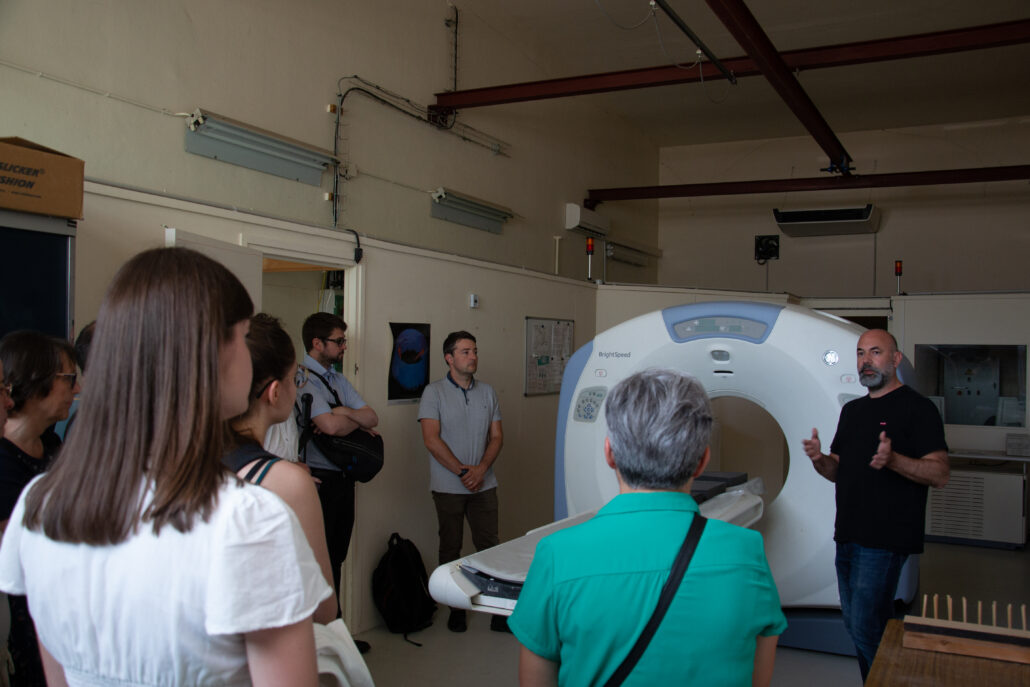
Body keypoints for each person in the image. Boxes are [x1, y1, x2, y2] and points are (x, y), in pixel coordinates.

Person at [0, 247, 330, 686]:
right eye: (243, 335)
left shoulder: (40, 506)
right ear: (210, 355)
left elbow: (58, 678)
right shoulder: (246, 521)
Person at [509, 368, 785, 687]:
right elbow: (757, 678)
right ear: (702, 461)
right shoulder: (747, 551)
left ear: (610, 453)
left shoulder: (557, 554)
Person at [802, 328, 949, 680]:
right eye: (860, 353)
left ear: (895, 359)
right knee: (855, 624)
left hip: (886, 538)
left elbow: (940, 473)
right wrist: (820, 459)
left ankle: (894, 679)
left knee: (867, 625)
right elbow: (837, 471)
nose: (866, 361)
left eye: (875, 352)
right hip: (848, 534)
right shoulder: (852, 411)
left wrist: (894, 460)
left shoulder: (918, 409)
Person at [224, 312, 338, 625]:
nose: (297, 387)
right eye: (294, 379)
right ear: (274, 392)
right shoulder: (288, 483)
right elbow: (323, 608)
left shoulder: (183, 462)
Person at [0, 330, 79, 687]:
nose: (77, 390)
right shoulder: (3, 460)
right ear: (35, 381)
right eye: (69, 379)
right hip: (21, 619)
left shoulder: (52, 443)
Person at [297, 312, 379, 649]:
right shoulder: (303, 379)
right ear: (317, 343)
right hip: (319, 481)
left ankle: (338, 636)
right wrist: (346, 420)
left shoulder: (337, 379)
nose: (344, 346)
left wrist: (344, 413)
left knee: (337, 557)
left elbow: (372, 417)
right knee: (321, 559)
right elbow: (328, 427)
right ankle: (322, 641)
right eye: (339, 341)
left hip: (344, 478)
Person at [418, 331, 503, 633]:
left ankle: (497, 609)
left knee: (489, 547)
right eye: (465, 352)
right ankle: (455, 608)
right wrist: (463, 472)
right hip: (448, 487)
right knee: (450, 548)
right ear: (449, 358)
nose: (473, 357)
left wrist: (481, 470)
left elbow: (497, 437)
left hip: (484, 485)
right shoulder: (434, 393)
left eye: (475, 351)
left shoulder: (488, 392)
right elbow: (431, 439)